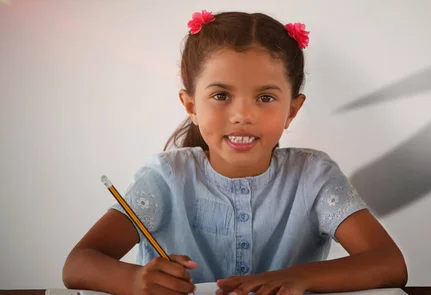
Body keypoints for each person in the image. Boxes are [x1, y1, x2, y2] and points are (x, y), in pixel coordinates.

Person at [62, 10, 408, 295]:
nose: (243, 115)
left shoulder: (313, 175)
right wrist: (135, 281)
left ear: (292, 110)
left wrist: (299, 278)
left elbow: (390, 264)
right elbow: (77, 264)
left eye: (265, 98)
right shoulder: (167, 177)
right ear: (191, 105)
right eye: (222, 95)